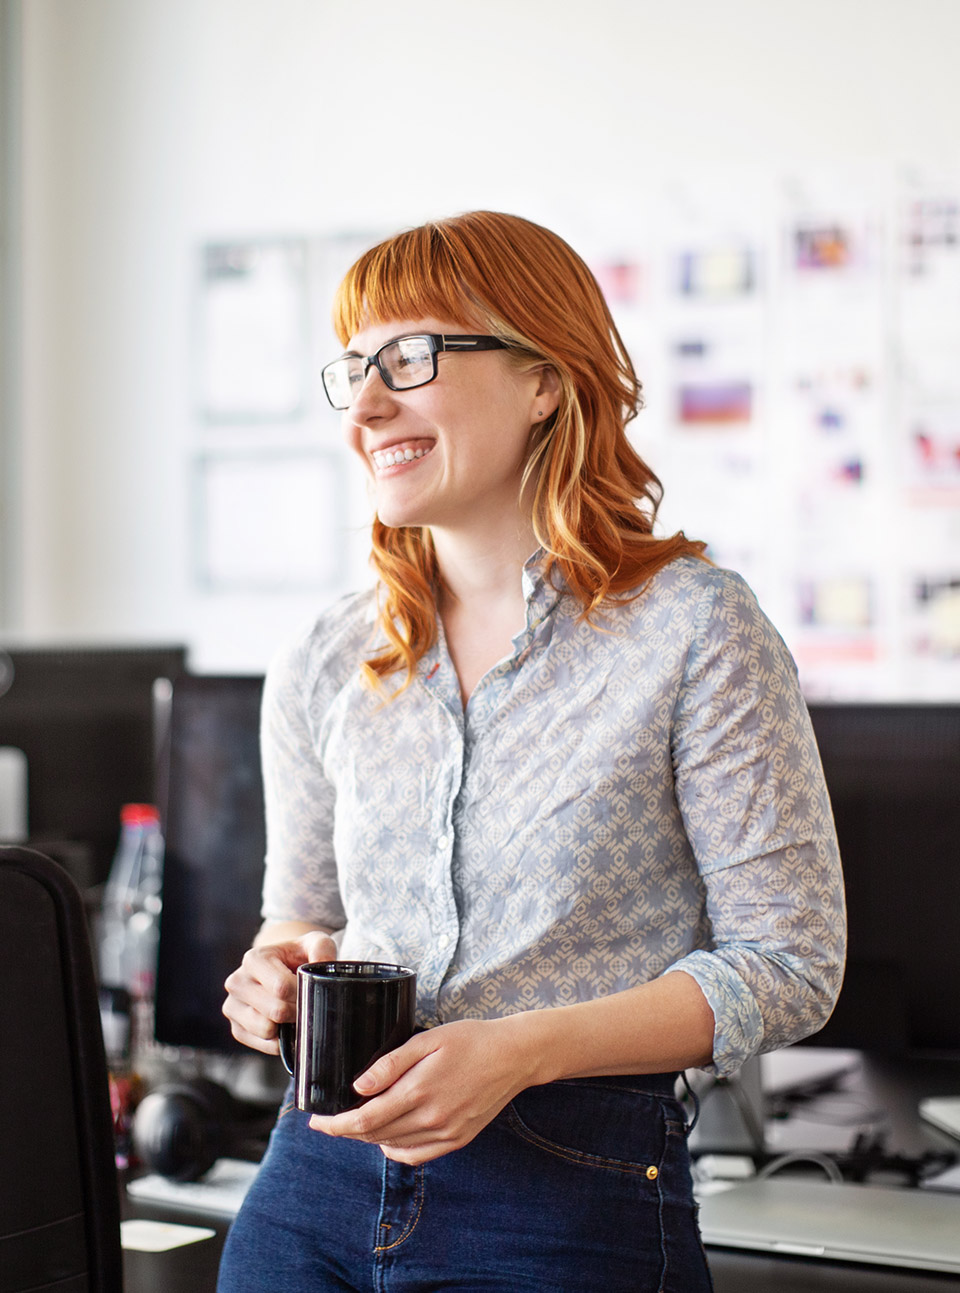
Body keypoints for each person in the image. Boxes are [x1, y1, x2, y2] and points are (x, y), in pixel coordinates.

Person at [217, 210, 846, 1293]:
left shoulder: (694, 629)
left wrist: (519, 1049)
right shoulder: (325, 657)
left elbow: (789, 966)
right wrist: (271, 976)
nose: (366, 406)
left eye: (408, 359)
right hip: (311, 1184)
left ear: (545, 377)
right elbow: (299, 917)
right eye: (354, 368)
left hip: (568, 1190)